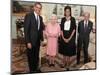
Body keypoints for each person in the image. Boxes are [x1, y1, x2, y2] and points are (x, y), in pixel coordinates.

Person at [24, 2, 44, 73]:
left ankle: (36, 68)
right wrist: (28, 42)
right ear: (34, 8)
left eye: (40, 8)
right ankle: (32, 70)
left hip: (37, 41)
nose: (38, 9)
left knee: (36, 56)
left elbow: (40, 30)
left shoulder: (40, 18)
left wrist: (42, 40)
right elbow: (26, 30)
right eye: (37, 7)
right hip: (30, 41)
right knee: (30, 57)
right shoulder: (29, 16)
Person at [59, 6, 76, 70]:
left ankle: (68, 63)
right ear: (64, 12)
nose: (67, 12)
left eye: (68, 11)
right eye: (66, 11)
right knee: (64, 51)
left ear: (70, 12)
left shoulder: (73, 19)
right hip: (63, 36)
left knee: (68, 52)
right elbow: (61, 30)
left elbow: (74, 29)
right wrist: (63, 38)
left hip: (70, 37)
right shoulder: (63, 19)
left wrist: (69, 38)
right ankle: (63, 62)